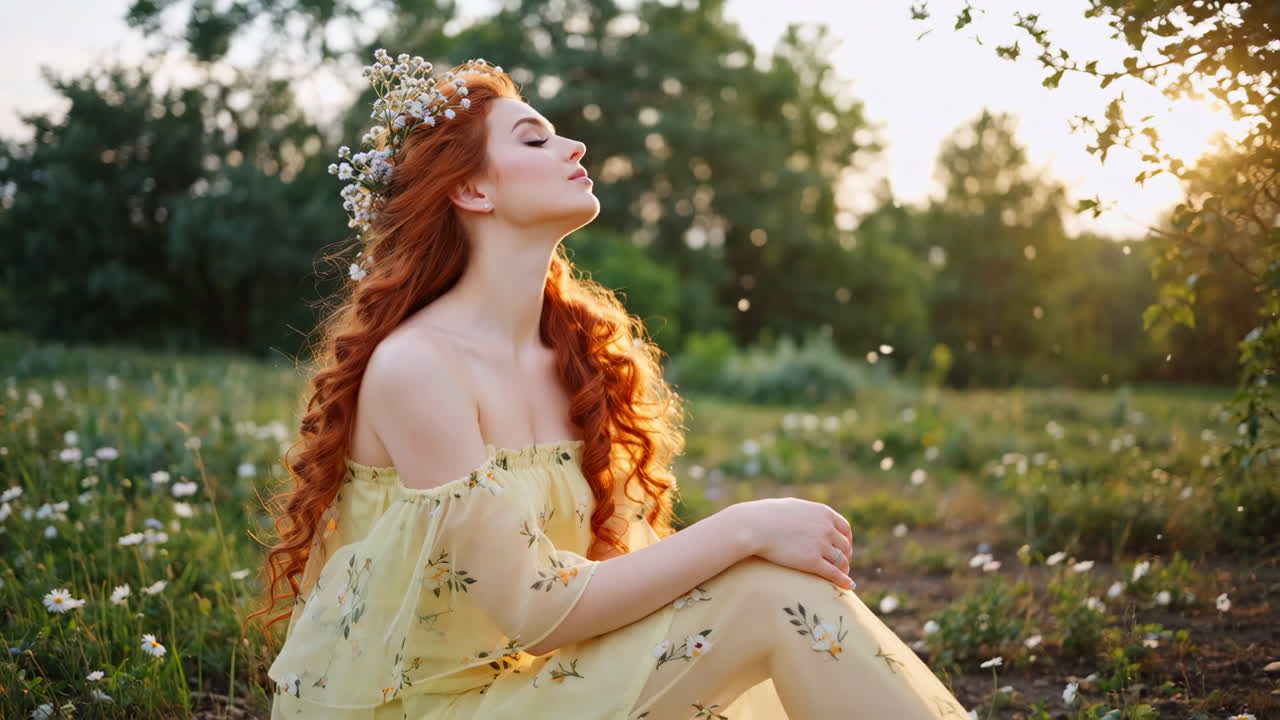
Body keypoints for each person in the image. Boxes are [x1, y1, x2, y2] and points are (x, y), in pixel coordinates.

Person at [248, 50, 968, 719]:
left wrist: (746, 551)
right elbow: (534, 610)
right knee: (771, 595)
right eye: (534, 139)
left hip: (534, 685)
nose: (574, 148)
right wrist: (746, 527)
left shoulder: (573, 355)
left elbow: (617, 580)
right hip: (430, 709)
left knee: (778, 593)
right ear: (470, 188)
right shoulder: (419, 367)